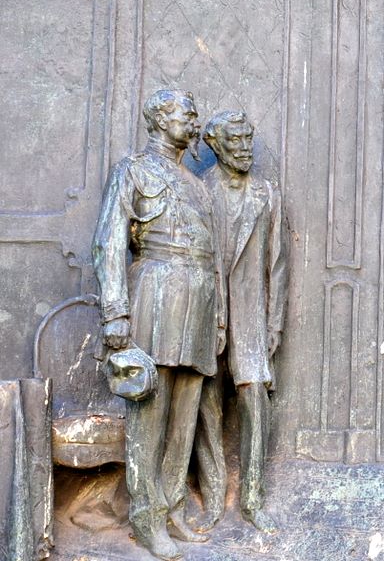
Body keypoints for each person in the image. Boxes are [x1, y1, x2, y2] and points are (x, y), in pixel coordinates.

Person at [93, 89, 224, 560]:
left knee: (185, 411)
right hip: (154, 289)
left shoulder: (197, 182)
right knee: (151, 409)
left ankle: (171, 508)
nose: (193, 122)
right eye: (185, 115)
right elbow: (108, 243)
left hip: (199, 297)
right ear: (159, 120)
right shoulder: (133, 170)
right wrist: (115, 313)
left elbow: (216, 259)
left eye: (194, 115)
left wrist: (221, 316)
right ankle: (146, 518)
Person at [192, 110, 289, 534]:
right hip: (206, 311)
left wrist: (275, 323)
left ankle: (252, 497)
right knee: (206, 406)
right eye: (236, 142)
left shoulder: (266, 194)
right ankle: (213, 496)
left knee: (254, 399)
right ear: (216, 146)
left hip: (251, 313)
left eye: (249, 140)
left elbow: (278, 264)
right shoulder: (197, 191)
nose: (245, 148)